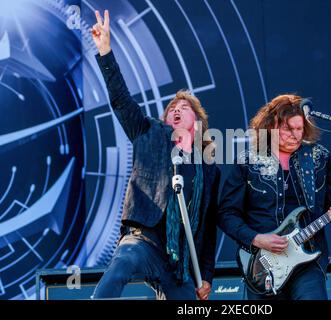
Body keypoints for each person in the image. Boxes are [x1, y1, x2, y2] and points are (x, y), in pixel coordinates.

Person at [90, 10, 220, 300]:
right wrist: (105, 51)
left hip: (180, 263)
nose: (175, 109)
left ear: (197, 123)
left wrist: (206, 276)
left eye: (183, 107)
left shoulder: (208, 168)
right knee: (123, 261)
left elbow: (209, 227)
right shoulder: (148, 132)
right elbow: (121, 100)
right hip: (143, 240)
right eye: (172, 106)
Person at [218, 94, 331, 300]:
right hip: (262, 265)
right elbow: (226, 213)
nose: (296, 135)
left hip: (308, 260)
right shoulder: (248, 160)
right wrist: (256, 239)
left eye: (300, 129)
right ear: (271, 126)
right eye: (288, 129)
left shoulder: (319, 157)